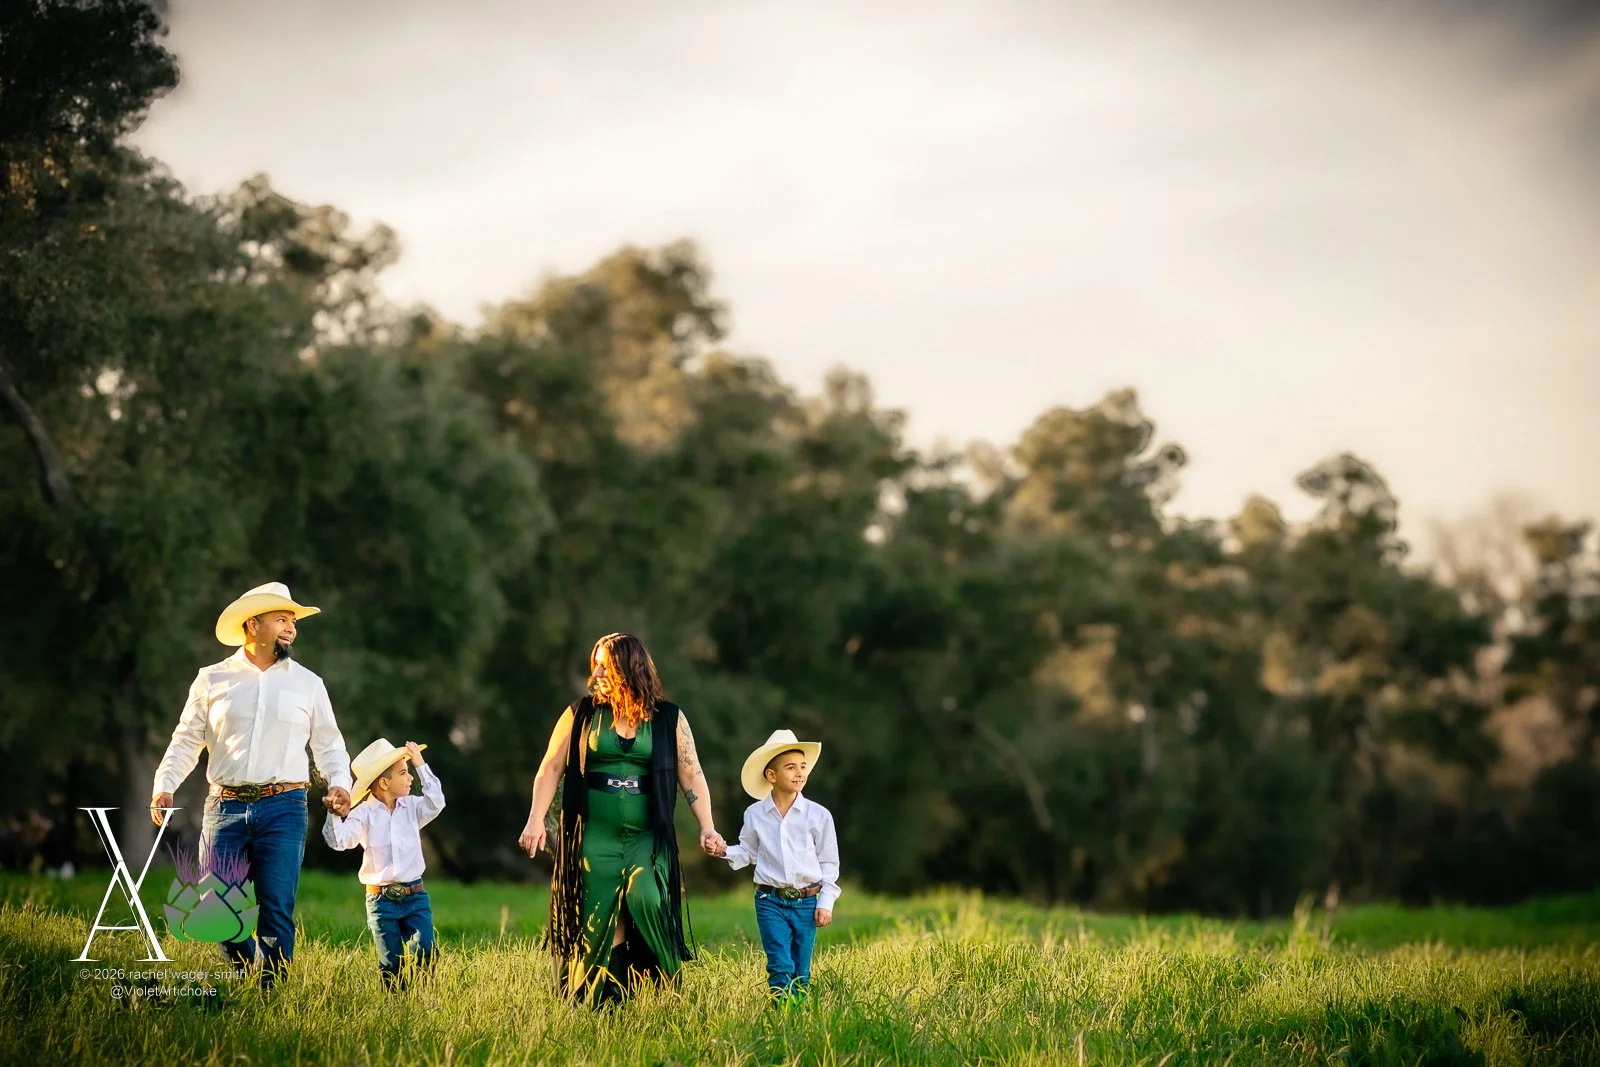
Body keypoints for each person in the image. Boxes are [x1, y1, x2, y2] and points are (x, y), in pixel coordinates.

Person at [150, 581, 353, 985]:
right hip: (223, 807)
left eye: (293, 621)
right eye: (282, 619)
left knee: (276, 905)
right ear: (253, 624)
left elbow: (329, 744)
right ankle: (250, 969)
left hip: (284, 806)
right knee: (216, 905)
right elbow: (187, 739)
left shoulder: (308, 684)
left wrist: (339, 783)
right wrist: (164, 785)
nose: (291, 628)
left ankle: (271, 991)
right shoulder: (212, 680)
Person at [518, 633, 725, 1004]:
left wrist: (707, 826)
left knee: (646, 897)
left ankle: (659, 991)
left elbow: (691, 774)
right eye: (593, 664)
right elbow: (550, 769)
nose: (595, 673)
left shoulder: (669, 719)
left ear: (630, 668)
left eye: (605, 665)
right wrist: (535, 820)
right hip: (596, 833)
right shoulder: (580, 714)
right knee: (599, 912)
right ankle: (601, 998)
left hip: (646, 835)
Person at [710, 729, 840, 1004]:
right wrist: (723, 850)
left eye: (803, 767)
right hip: (770, 900)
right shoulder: (755, 814)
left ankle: (798, 1017)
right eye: (790, 767)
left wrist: (825, 902)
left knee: (800, 969)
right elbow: (748, 852)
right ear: (771, 775)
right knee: (780, 964)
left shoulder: (818, 815)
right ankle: (782, 1012)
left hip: (806, 901)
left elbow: (829, 862)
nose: (799, 773)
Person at [322, 739, 445, 991]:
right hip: (380, 902)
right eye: (404, 773)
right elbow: (339, 841)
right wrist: (335, 814)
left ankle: (421, 995)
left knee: (425, 947)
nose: (410, 778)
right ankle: (395, 1001)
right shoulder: (363, 813)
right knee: (390, 962)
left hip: (415, 896)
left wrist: (420, 764)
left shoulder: (412, 807)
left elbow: (436, 802)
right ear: (384, 783)